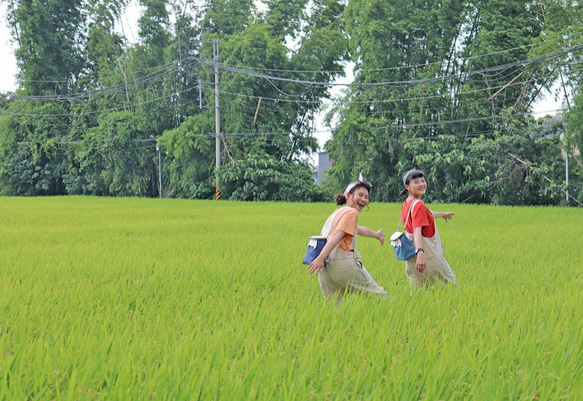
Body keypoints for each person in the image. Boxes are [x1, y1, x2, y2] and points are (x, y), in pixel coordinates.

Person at [308, 174, 387, 306]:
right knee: (379, 296)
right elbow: (337, 236)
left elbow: (358, 229)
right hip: (342, 265)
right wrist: (321, 258)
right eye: (360, 195)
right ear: (349, 195)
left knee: (334, 306)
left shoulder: (337, 213)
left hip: (326, 269)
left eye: (366, 197)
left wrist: (376, 234)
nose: (364, 199)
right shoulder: (352, 213)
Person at [400, 168, 457, 290]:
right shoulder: (419, 204)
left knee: (418, 292)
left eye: (422, 180)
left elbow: (425, 214)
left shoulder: (407, 203)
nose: (421, 184)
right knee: (451, 287)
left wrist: (442, 214)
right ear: (407, 187)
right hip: (427, 255)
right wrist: (420, 252)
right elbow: (417, 229)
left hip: (411, 256)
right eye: (416, 182)